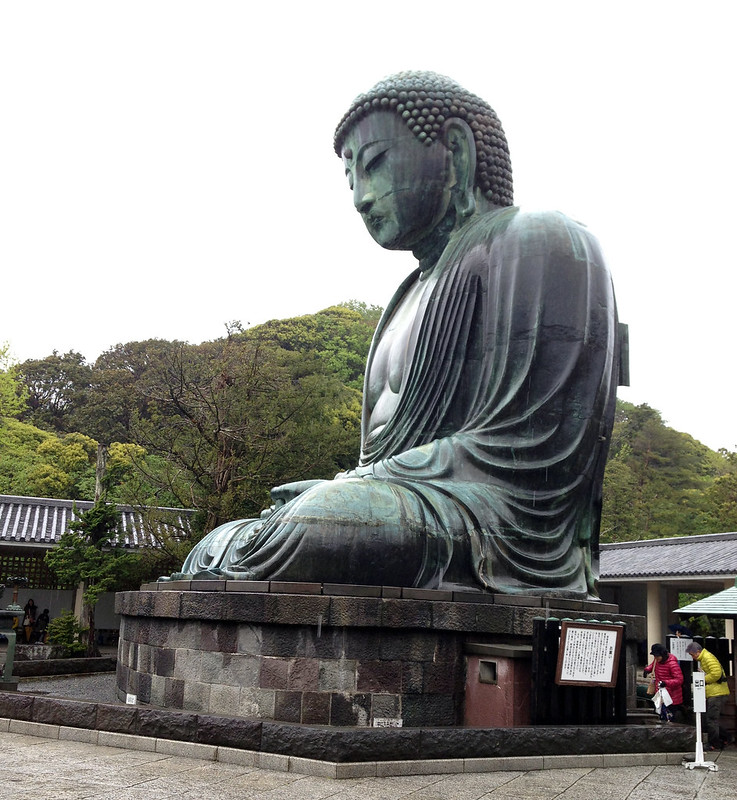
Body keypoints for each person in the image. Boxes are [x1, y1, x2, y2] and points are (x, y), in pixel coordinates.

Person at [173, 71, 625, 597]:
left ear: (454, 151)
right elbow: (374, 463)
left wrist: (354, 490)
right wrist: (356, 484)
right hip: (402, 500)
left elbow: (534, 449)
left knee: (323, 522)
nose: (361, 198)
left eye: (376, 165)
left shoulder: (540, 239)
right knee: (230, 537)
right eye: (350, 181)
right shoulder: (407, 293)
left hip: (493, 521)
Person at [686, 642, 731, 750]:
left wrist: (702, 679)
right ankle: (725, 738)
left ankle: (714, 744)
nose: (692, 657)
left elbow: (716, 674)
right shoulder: (704, 658)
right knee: (709, 718)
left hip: (717, 693)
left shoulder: (707, 657)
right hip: (714, 692)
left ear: (698, 652)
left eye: (692, 654)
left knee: (711, 719)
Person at [643, 643, 684, 722]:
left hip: (671, 696)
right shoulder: (657, 660)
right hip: (661, 694)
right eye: (654, 656)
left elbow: (679, 679)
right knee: (660, 715)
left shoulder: (672, 664)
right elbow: (652, 665)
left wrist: (666, 683)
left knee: (669, 717)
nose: (655, 658)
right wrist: (647, 670)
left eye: (657, 656)